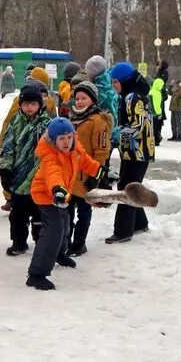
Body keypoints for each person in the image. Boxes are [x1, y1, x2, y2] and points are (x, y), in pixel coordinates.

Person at [26, 118, 102, 290]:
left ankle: (58, 254)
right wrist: (57, 189)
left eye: (69, 137)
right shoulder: (50, 157)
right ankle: (36, 274)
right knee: (53, 230)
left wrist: (101, 172)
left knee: (65, 224)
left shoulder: (74, 150)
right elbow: (54, 175)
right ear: (53, 141)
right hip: (47, 195)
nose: (66, 142)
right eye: (61, 139)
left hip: (61, 195)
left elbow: (86, 162)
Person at [0, 85, 51, 256]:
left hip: (39, 178)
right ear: (20, 104)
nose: (29, 107)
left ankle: (41, 241)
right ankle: (19, 242)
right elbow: (8, 147)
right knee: (18, 215)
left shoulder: (47, 124)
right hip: (19, 178)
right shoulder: (15, 122)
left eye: (33, 103)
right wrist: (5, 169)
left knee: (39, 214)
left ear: (40, 105)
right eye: (26, 103)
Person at [106, 61, 155, 244]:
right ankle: (139, 223)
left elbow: (137, 125)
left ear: (125, 81)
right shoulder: (134, 95)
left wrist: (116, 134)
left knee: (126, 189)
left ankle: (123, 231)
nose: (114, 86)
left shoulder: (132, 97)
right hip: (137, 150)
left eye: (116, 82)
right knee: (132, 186)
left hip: (137, 150)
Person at [67, 81, 112, 257]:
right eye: (77, 98)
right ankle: (66, 241)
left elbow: (102, 151)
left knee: (84, 212)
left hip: (86, 176)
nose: (79, 102)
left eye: (83, 98)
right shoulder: (71, 118)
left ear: (92, 100)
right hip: (69, 175)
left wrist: (96, 175)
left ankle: (79, 243)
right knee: (67, 212)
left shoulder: (98, 121)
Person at [149, 72, 165, 146]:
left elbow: (160, 103)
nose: (162, 87)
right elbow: (152, 103)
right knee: (155, 128)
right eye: (161, 85)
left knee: (157, 128)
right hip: (155, 113)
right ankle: (155, 140)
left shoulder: (158, 92)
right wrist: (155, 113)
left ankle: (157, 140)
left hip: (158, 113)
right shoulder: (152, 92)